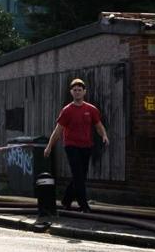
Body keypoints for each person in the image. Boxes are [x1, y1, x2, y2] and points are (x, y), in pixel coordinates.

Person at [44, 78, 109, 212]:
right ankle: (83, 205)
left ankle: (66, 200)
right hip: (71, 145)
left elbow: (98, 125)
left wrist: (104, 135)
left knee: (80, 176)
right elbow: (58, 130)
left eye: (80, 90)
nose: (77, 92)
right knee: (78, 175)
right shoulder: (67, 110)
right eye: (75, 90)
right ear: (71, 92)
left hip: (86, 146)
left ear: (84, 92)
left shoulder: (91, 109)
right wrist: (49, 146)